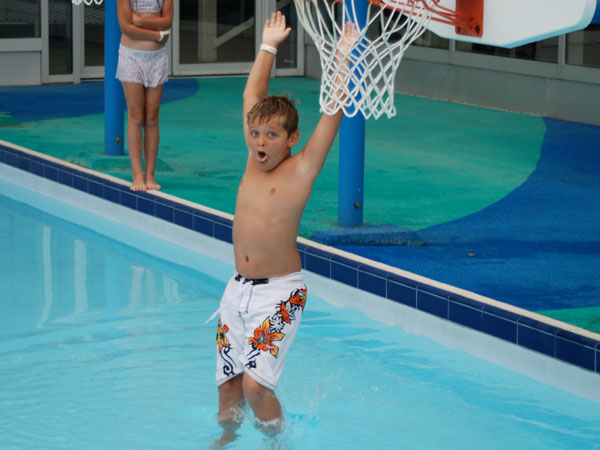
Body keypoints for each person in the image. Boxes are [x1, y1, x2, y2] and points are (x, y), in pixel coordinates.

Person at [212, 11, 356, 437]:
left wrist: (342, 57)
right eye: (255, 133)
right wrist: (268, 45)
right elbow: (252, 95)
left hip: (280, 294)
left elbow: (332, 112)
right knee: (229, 388)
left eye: (271, 135)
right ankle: (224, 441)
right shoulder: (252, 164)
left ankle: (278, 444)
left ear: (292, 140)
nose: (260, 141)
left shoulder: (301, 170)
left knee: (256, 386)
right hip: (236, 290)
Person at [116, 0, 173, 191]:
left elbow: (168, 20)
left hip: (156, 59)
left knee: (151, 117)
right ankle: (137, 174)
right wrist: (157, 34)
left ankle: (150, 173)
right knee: (136, 116)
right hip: (131, 57)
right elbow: (126, 26)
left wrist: (139, 19)